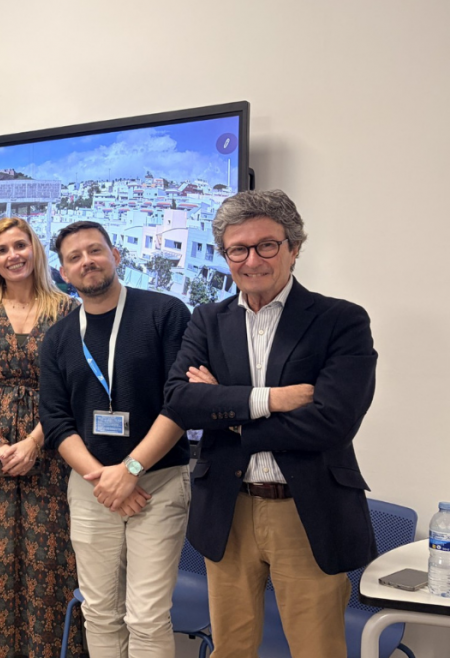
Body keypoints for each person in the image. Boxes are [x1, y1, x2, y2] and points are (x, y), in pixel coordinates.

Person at [163, 190, 378, 658]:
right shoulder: (207, 320)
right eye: (238, 249)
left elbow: (332, 424)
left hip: (305, 510)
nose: (251, 260)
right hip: (228, 506)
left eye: (267, 245)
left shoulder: (340, 321)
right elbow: (181, 400)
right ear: (225, 256)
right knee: (231, 649)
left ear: (294, 247)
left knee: (316, 649)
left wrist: (228, 412)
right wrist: (272, 401)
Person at [40, 221, 192, 658]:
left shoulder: (165, 313)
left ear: (115, 255)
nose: (86, 261)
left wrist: (131, 470)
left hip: (158, 484)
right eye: (74, 257)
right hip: (92, 490)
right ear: (64, 273)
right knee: (100, 613)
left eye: (95, 250)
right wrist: (103, 479)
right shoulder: (59, 338)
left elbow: (179, 403)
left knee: (146, 617)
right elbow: (54, 421)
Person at [0, 216, 85, 657]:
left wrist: (33, 442)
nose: (13, 256)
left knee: (50, 558)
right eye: (2, 249)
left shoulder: (66, 309)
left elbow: (69, 385)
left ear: (35, 249)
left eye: (19, 245)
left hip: (51, 445)